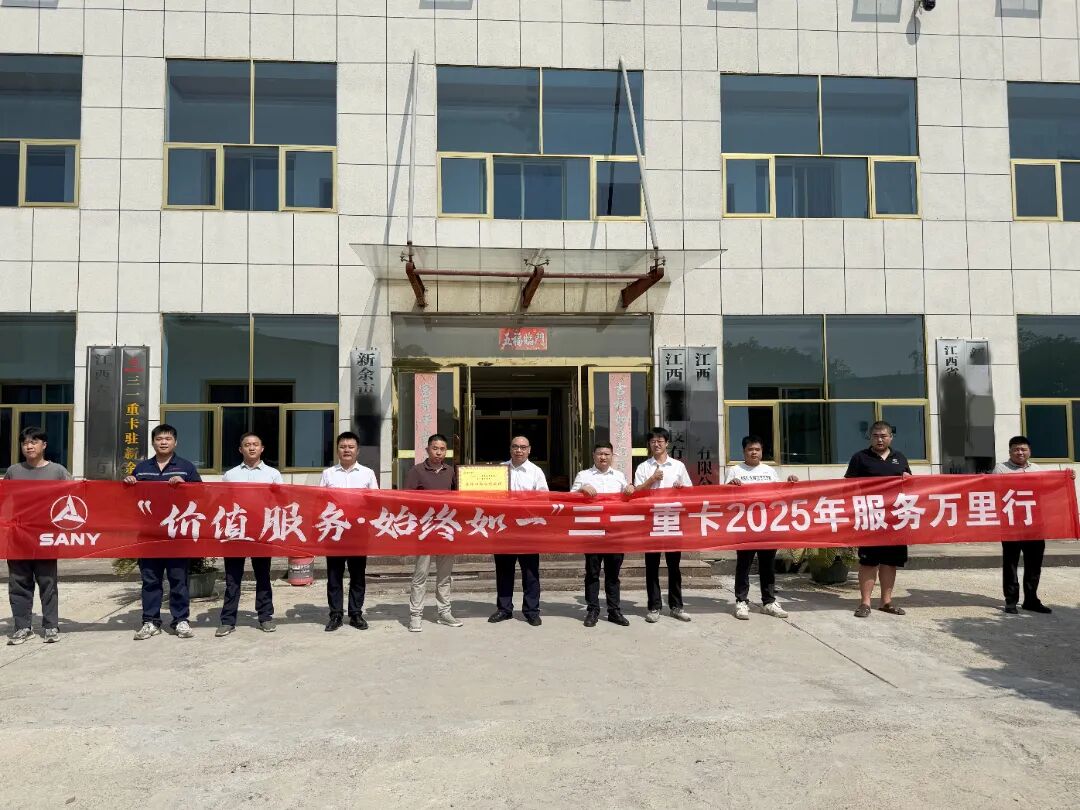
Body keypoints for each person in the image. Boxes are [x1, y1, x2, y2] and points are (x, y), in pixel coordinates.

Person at [124, 423, 202, 640]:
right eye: (159, 439)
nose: (163, 442)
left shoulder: (186, 467)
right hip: (149, 535)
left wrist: (185, 485)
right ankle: (150, 621)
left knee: (179, 579)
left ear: (175, 442)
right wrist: (129, 483)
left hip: (176, 534)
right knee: (150, 580)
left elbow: (201, 494)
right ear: (153, 442)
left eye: (168, 439)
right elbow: (128, 501)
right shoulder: (141, 469)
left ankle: (180, 620)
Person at [5, 427, 72, 646]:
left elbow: (76, 494)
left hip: (46, 535)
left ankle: (51, 625)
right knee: (18, 583)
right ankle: (22, 627)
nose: (29, 446)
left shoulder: (57, 471)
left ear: (44, 445)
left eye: (34, 442)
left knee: (47, 582)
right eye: (25, 443)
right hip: (18, 535)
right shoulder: (14, 471)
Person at [215, 433, 284, 637]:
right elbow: (223, 503)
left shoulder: (273, 474)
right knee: (232, 578)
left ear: (262, 448)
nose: (251, 448)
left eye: (255, 444)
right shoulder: (230, 475)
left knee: (263, 576)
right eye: (247, 445)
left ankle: (265, 617)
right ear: (240, 449)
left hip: (262, 532)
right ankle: (228, 620)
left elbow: (281, 502)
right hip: (236, 532)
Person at [725, 435, 800, 621]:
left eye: (757, 449)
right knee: (744, 564)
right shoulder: (735, 470)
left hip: (768, 524)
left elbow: (779, 494)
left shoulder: (769, 471)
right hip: (744, 525)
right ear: (744, 451)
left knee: (767, 565)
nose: (754, 453)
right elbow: (725, 496)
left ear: (762, 451)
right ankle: (741, 601)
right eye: (750, 449)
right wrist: (731, 486)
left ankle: (769, 602)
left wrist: (790, 483)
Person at [845, 420, 911, 618]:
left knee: (890, 562)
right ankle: (865, 603)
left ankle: (886, 602)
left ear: (891, 437)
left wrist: (908, 480)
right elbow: (848, 486)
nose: (879, 440)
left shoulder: (899, 458)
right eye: (875, 436)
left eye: (883, 436)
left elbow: (909, 484)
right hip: (870, 516)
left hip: (894, 517)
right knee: (869, 561)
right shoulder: (860, 458)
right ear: (870, 437)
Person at [571, 442, 635, 628]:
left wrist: (630, 489)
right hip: (592, 531)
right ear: (593, 455)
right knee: (592, 572)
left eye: (607, 454)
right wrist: (581, 490)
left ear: (612, 456)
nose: (603, 457)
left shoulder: (619, 476)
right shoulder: (584, 475)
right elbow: (570, 499)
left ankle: (614, 611)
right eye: (600, 453)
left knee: (613, 573)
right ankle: (592, 610)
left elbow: (629, 499)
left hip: (615, 532)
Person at [320, 431, 379, 632]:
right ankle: (335, 614)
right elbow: (320, 501)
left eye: (351, 447)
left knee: (358, 575)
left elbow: (375, 502)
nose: (347, 450)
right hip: (334, 531)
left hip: (358, 532)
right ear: (337, 450)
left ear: (357, 450)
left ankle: (355, 614)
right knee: (334, 575)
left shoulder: (367, 473)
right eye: (343, 447)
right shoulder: (328, 474)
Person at [632, 427, 693, 623]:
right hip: (651, 520)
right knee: (652, 565)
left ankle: (676, 606)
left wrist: (680, 488)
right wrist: (651, 480)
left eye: (660, 441)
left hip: (672, 519)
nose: (656, 444)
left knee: (674, 565)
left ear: (667, 443)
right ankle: (654, 606)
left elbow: (690, 492)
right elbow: (636, 492)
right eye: (653, 441)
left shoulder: (678, 466)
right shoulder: (643, 467)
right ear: (649, 444)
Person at [404, 433, 462, 632]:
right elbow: (407, 500)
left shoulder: (451, 471)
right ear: (427, 449)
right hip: (425, 531)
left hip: (446, 530)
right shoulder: (417, 471)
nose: (438, 452)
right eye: (435, 448)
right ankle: (415, 615)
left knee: (444, 576)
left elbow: (460, 498)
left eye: (442, 449)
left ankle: (444, 613)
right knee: (420, 575)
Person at [489, 436, 548, 627]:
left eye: (523, 447)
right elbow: (488, 497)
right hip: (504, 529)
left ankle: (531, 611)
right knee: (504, 571)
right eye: (515, 446)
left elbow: (544, 499)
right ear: (510, 449)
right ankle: (504, 609)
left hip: (527, 530)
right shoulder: (499, 470)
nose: (519, 450)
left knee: (530, 572)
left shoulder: (536, 472)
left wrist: (521, 503)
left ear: (529, 450)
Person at [994, 435, 1051, 615]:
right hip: (1011, 523)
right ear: (1010, 452)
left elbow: (1048, 488)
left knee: (1034, 563)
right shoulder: (1000, 468)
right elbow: (992, 490)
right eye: (1016, 449)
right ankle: (1011, 601)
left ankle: (1031, 600)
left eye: (1023, 449)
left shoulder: (1037, 469)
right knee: (1010, 562)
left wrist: (1067, 477)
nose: (1020, 452)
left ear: (1029, 451)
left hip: (1034, 522)